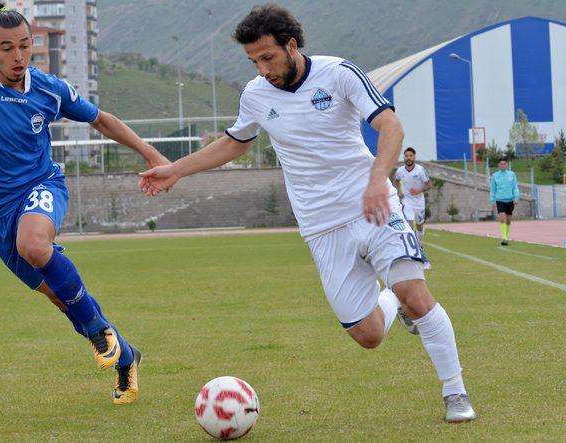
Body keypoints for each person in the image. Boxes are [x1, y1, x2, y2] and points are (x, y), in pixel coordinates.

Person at [140, 4, 476, 422]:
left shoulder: (338, 74)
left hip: (372, 206)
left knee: (418, 295)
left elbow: (391, 127)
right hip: (320, 226)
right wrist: (176, 170)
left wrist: (377, 179)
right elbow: (235, 142)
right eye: (253, 61)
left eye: (268, 57)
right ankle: (393, 301)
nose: (262, 69)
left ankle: (455, 391)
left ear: (292, 45)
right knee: (368, 335)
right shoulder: (256, 95)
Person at [0, 4, 170, 405]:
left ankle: (95, 330)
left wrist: (150, 153)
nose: (18, 56)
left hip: (41, 186)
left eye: (25, 45)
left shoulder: (48, 89)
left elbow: (101, 119)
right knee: (59, 295)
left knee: (35, 244)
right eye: (7, 48)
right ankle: (126, 354)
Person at [394, 147, 431, 242]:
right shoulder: (400, 171)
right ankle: (413, 246)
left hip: (419, 203)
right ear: (404, 157)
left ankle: (420, 243)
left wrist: (419, 190)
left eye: (411, 156)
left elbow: (429, 185)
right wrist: (398, 192)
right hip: (406, 201)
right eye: (406, 156)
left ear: (414, 157)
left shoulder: (420, 170)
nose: (408, 158)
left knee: (419, 226)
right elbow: (396, 181)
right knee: (409, 224)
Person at [489, 157, 519, 246]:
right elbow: (493, 189)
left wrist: (516, 198)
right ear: (498, 165)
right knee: (502, 218)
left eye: (504, 164)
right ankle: (504, 238)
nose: (502, 165)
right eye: (501, 164)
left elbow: (515, 187)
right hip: (500, 200)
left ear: (507, 165)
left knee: (508, 221)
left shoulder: (512, 174)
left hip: (510, 200)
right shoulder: (495, 176)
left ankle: (506, 236)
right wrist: (492, 201)